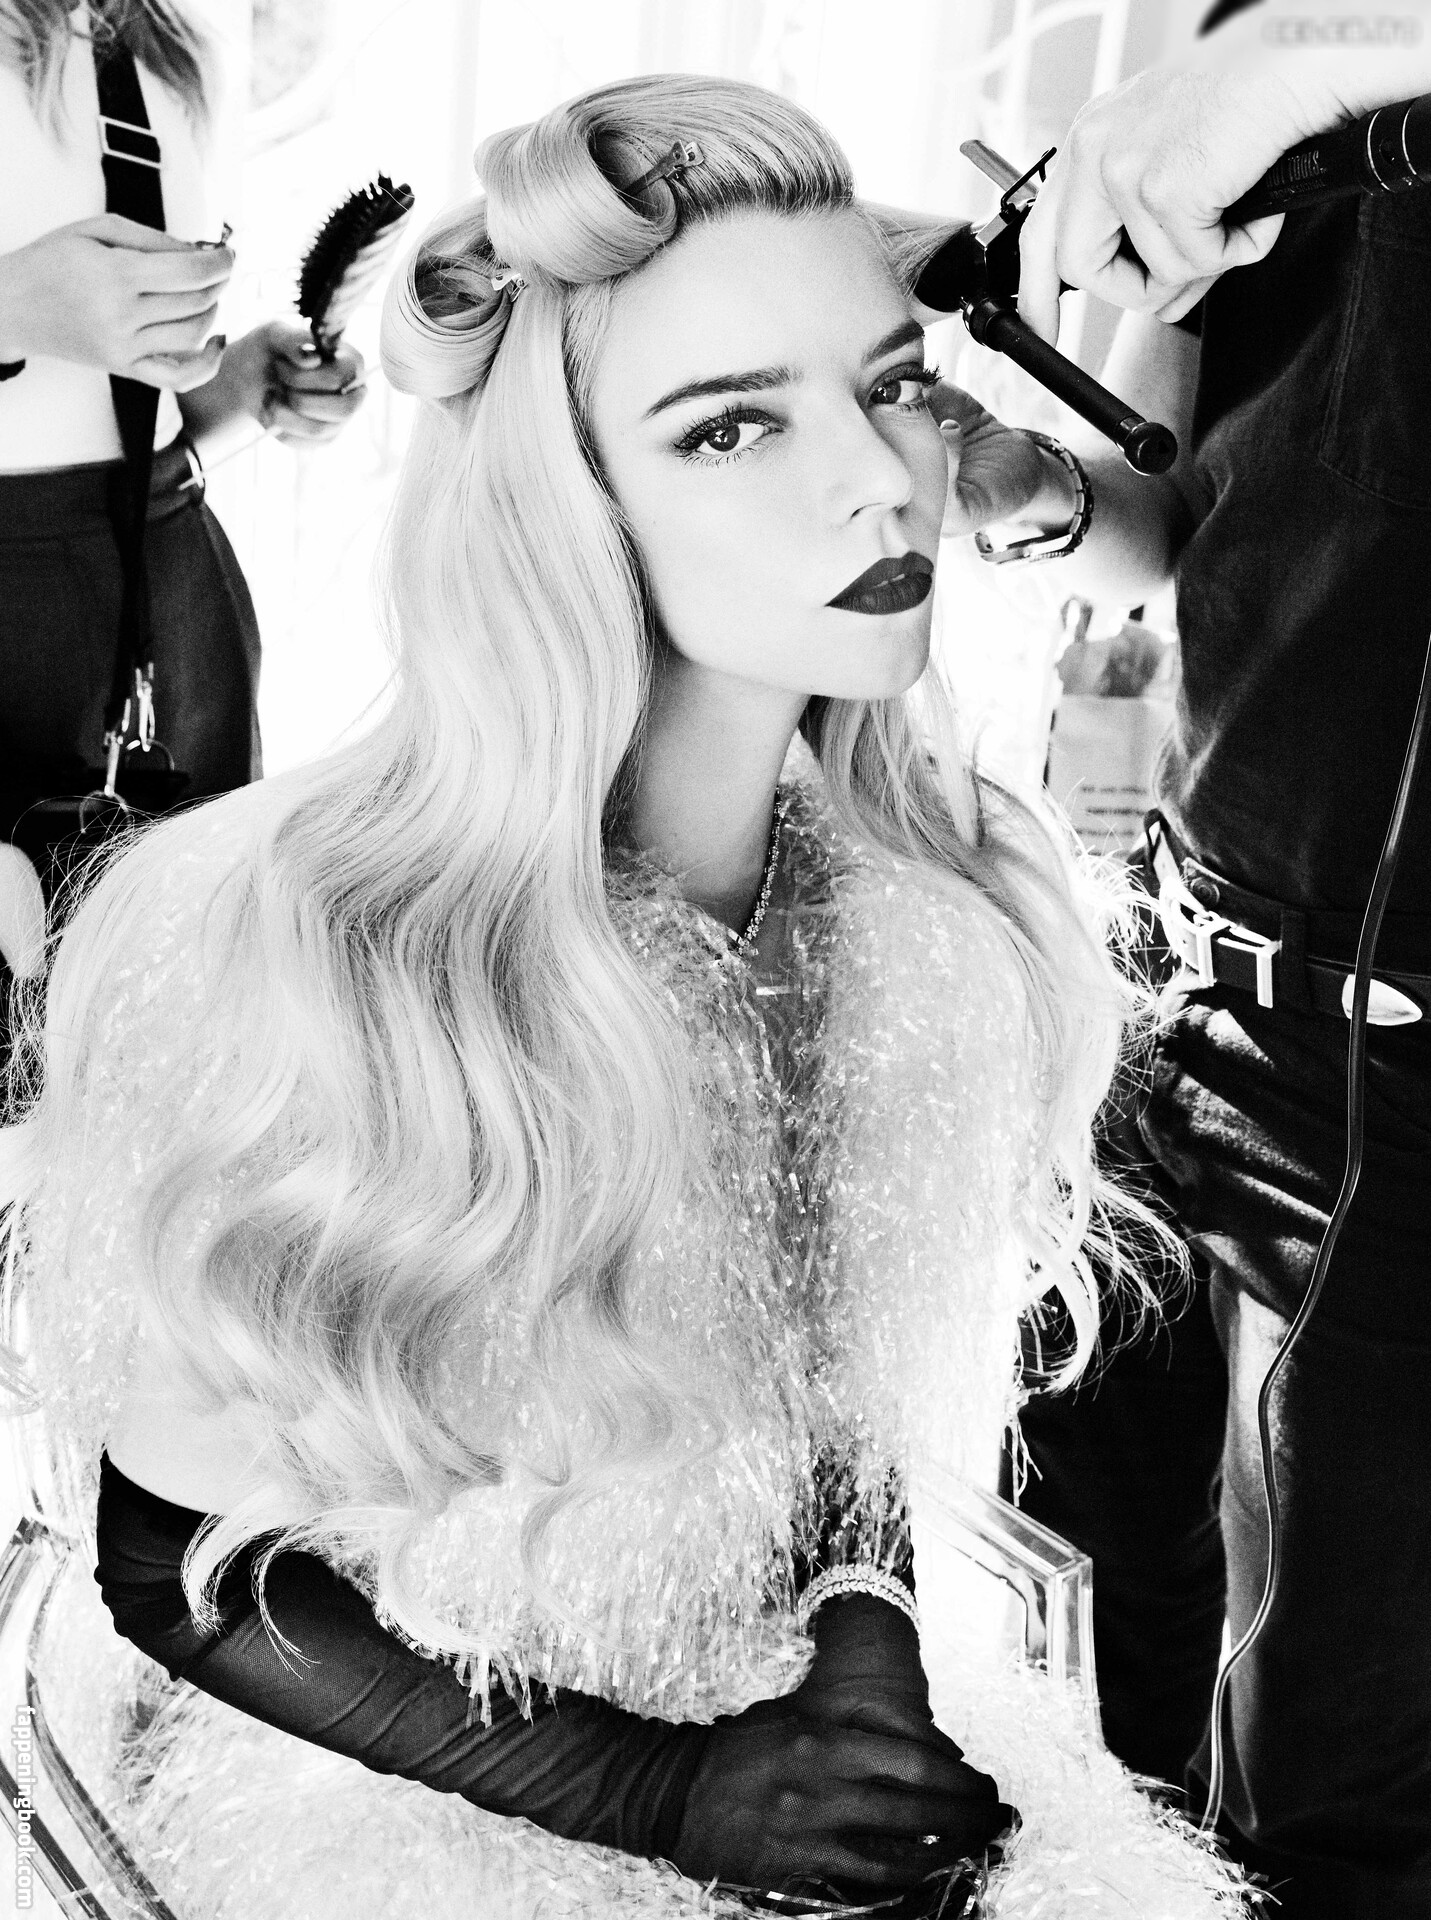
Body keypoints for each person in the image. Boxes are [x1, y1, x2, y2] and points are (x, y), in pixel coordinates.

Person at [0, 73, 1250, 1920]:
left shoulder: (905, 925)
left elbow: (834, 1396)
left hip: (759, 1708)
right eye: (729, 426)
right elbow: (168, 1567)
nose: (877, 475)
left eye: (894, 384)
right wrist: (661, 1794)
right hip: (417, 1782)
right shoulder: (322, 946)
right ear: (563, 505)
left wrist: (864, 1646)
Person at [957, 2, 1431, 1913]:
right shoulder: (1245, 31)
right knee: (1073, 1681)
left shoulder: (1305, 48)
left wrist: (1322, 63)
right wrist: (1041, 499)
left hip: (1403, 1074)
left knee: (1331, 1802)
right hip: (1181, 979)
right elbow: (1196, 521)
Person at [0, 1, 365, 984]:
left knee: (183, 996)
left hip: (164, 594)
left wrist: (242, 386)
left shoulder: (165, 45)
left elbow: (114, 408)